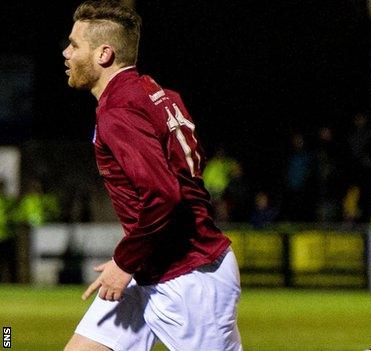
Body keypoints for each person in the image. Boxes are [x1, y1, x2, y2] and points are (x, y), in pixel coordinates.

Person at [62, 1, 242, 350]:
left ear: (103, 54)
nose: (66, 52)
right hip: (154, 263)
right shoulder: (156, 94)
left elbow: (164, 193)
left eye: (74, 44)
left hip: (188, 277)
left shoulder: (119, 111)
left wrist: (124, 261)